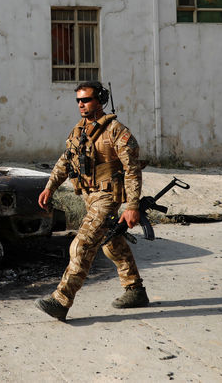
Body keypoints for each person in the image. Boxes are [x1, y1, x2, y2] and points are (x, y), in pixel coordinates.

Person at [35, 81, 148, 321]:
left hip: (107, 197)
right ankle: (135, 290)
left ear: (100, 100)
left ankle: (61, 300)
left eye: (85, 100)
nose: (81, 105)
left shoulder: (116, 131)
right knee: (111, 243)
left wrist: (132, 206)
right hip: (89, 197)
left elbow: (132, 169)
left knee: (81, 245)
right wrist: (49, 187)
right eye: (78, 100)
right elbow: (65, 161)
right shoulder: (79, 130)